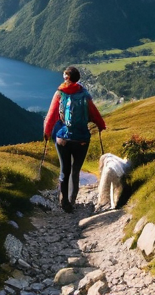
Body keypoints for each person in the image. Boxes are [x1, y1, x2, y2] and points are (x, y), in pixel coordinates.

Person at [43, 66, 106, 213]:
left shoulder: (60, 93)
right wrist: (101, 126)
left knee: (64, 170)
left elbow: (51, 116)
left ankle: (64, 202)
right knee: (75, 170)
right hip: (81, 139)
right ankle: (72, 201)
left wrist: (46, 133)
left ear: (66, 77)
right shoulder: (85, 94)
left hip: (63, 138)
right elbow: (95, 114)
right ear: (78, 79)